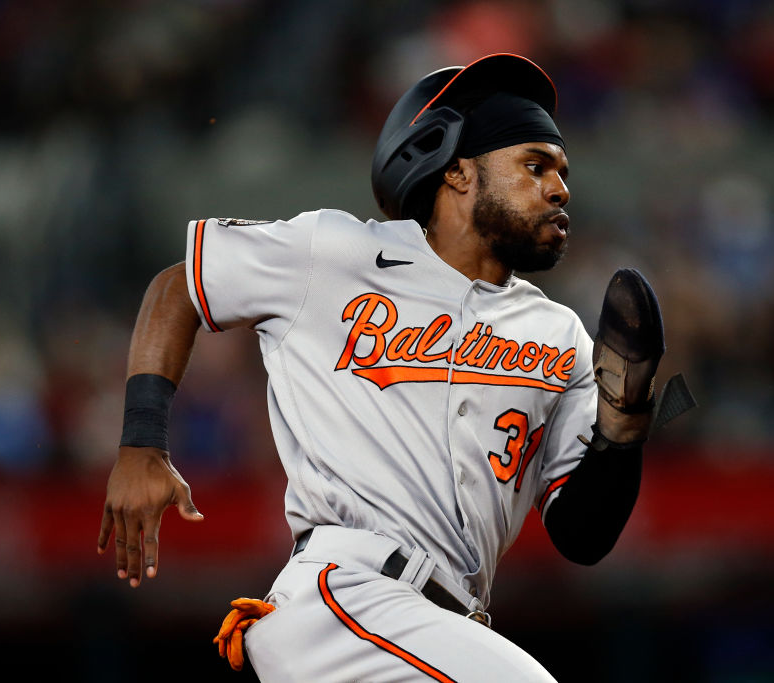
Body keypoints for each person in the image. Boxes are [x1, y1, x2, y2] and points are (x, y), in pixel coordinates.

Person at [97, 53, 693, 681]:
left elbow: (583, 533)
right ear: (459, 174)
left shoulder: (560, 334)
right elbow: (179, 287)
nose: (560, 188)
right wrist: (142, 442)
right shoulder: (336, 254)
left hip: (440, 628)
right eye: (535, 165)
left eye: (563, 172)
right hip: (346, 597)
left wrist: (621, 429)